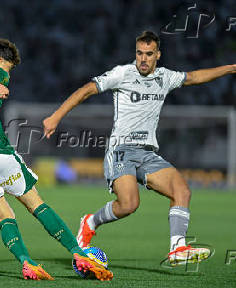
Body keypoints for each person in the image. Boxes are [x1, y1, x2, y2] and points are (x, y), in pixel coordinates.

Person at [43, 31, 235, 266]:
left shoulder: (165, 77)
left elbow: (194, 77)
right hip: (121, 149)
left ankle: (177, 247)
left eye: (148, 54)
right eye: (139, 53)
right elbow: (86, 90)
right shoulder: (122, 73)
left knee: (181, 191)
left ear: (158, 55)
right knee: (129, 204)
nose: (143, 59)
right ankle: (90, 223)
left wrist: (231, 68)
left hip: (147, 153)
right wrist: (55, 116)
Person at [0, 38, 113, 280]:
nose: (8, 75)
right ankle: (79, 253)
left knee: (3, 216)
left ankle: (27, 263)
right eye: (9, 68)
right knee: (35, 203)